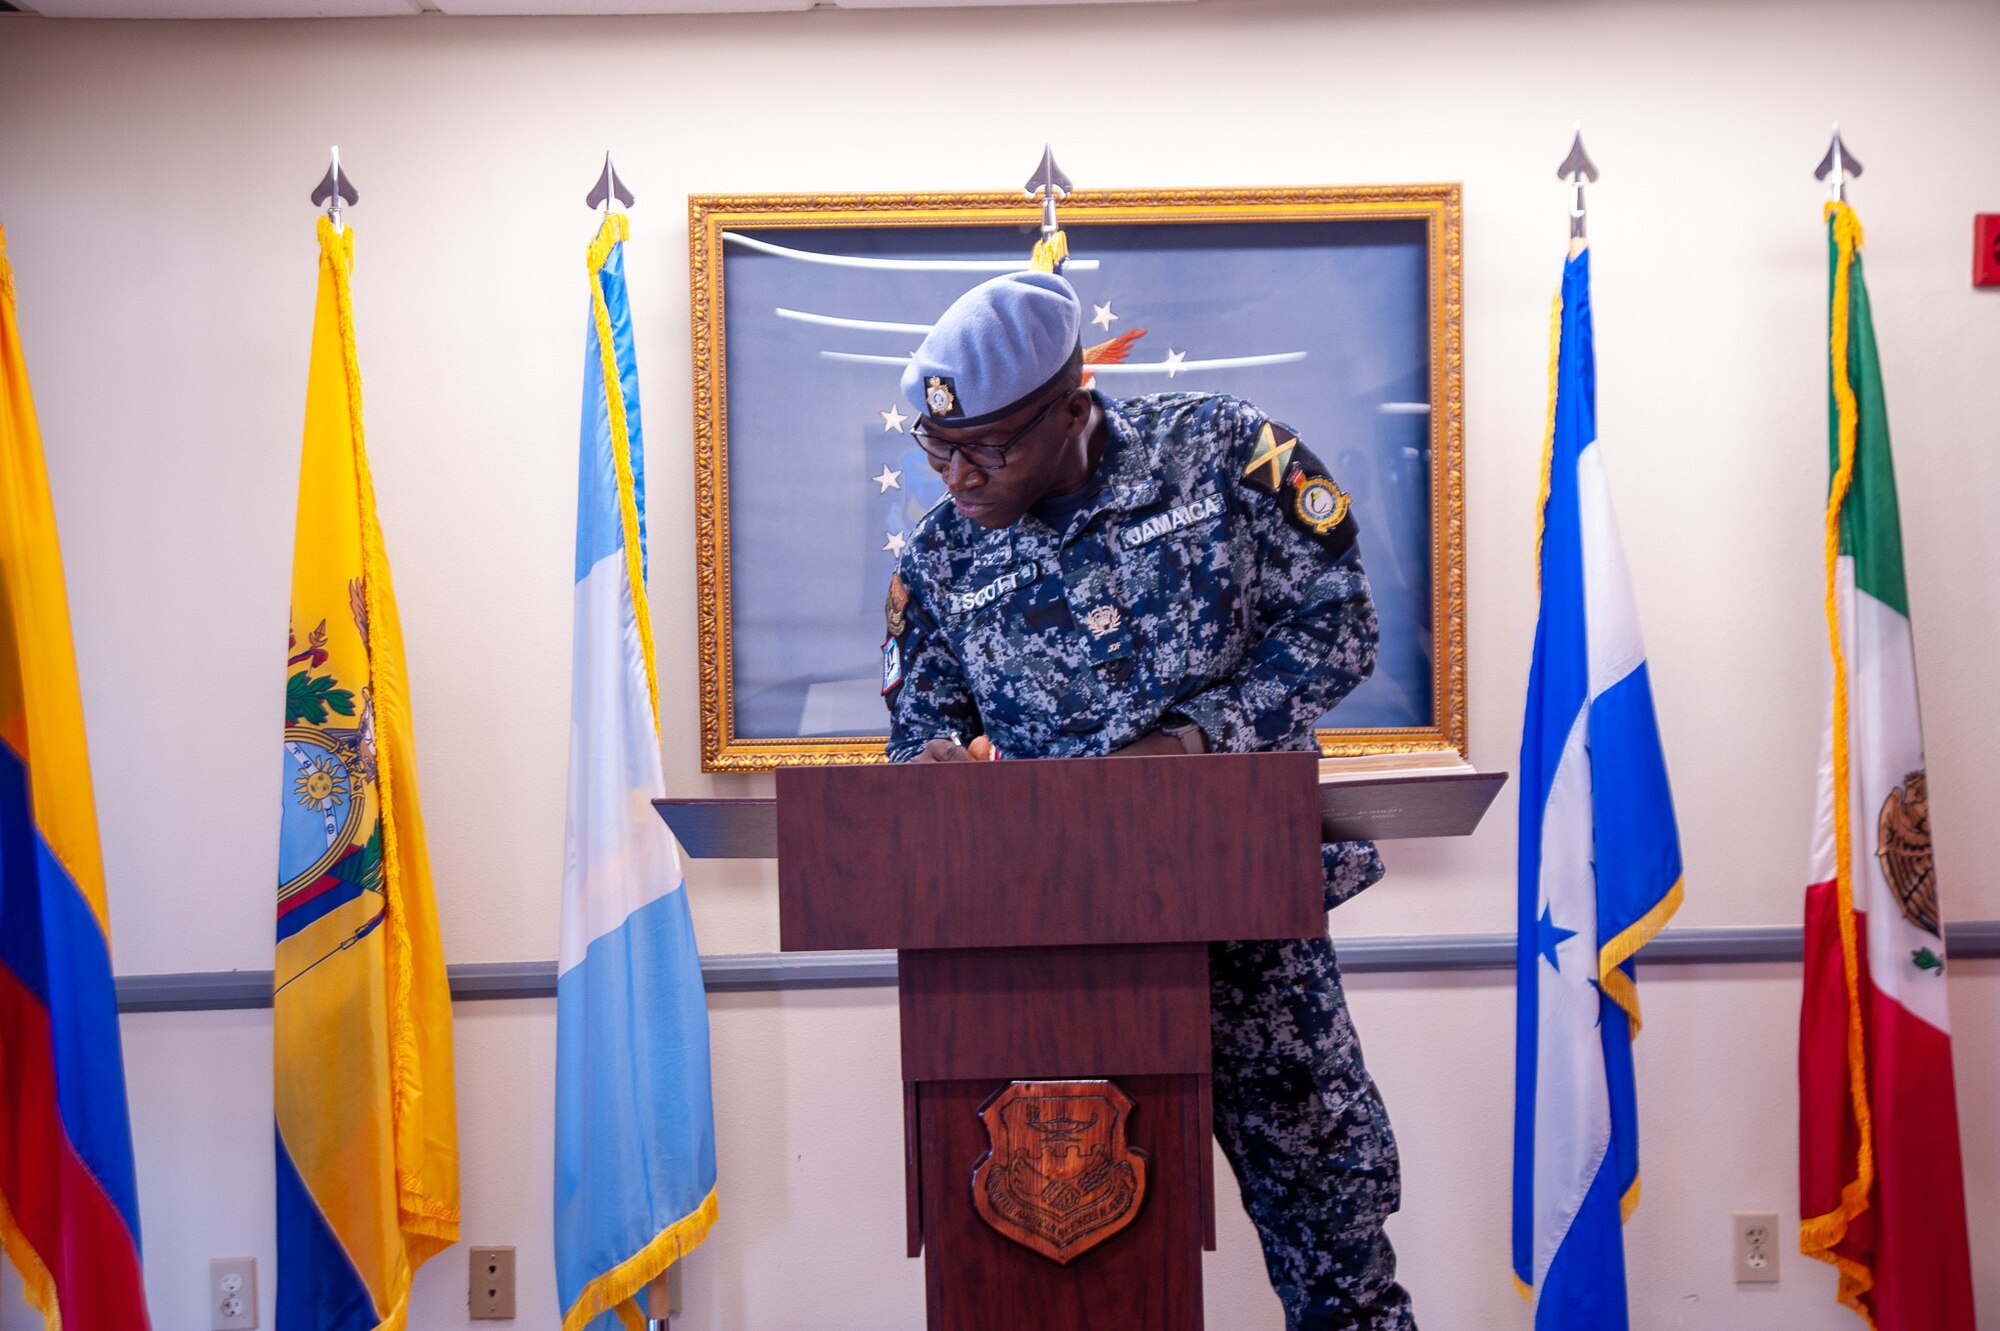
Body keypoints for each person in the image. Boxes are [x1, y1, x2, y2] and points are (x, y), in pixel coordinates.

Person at [880, 269, 1415, 1331]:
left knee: (1334, 1244)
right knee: (1059, 1254)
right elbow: (916, 720)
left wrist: (1198, 738)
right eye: (933, 449)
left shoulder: (1222, 455)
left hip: (1246, 926)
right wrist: (929, 762)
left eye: (985, 448)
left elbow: (1337, 626)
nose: (955, 475)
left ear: (1072, 406)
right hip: (1046, 953)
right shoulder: (941, 553)